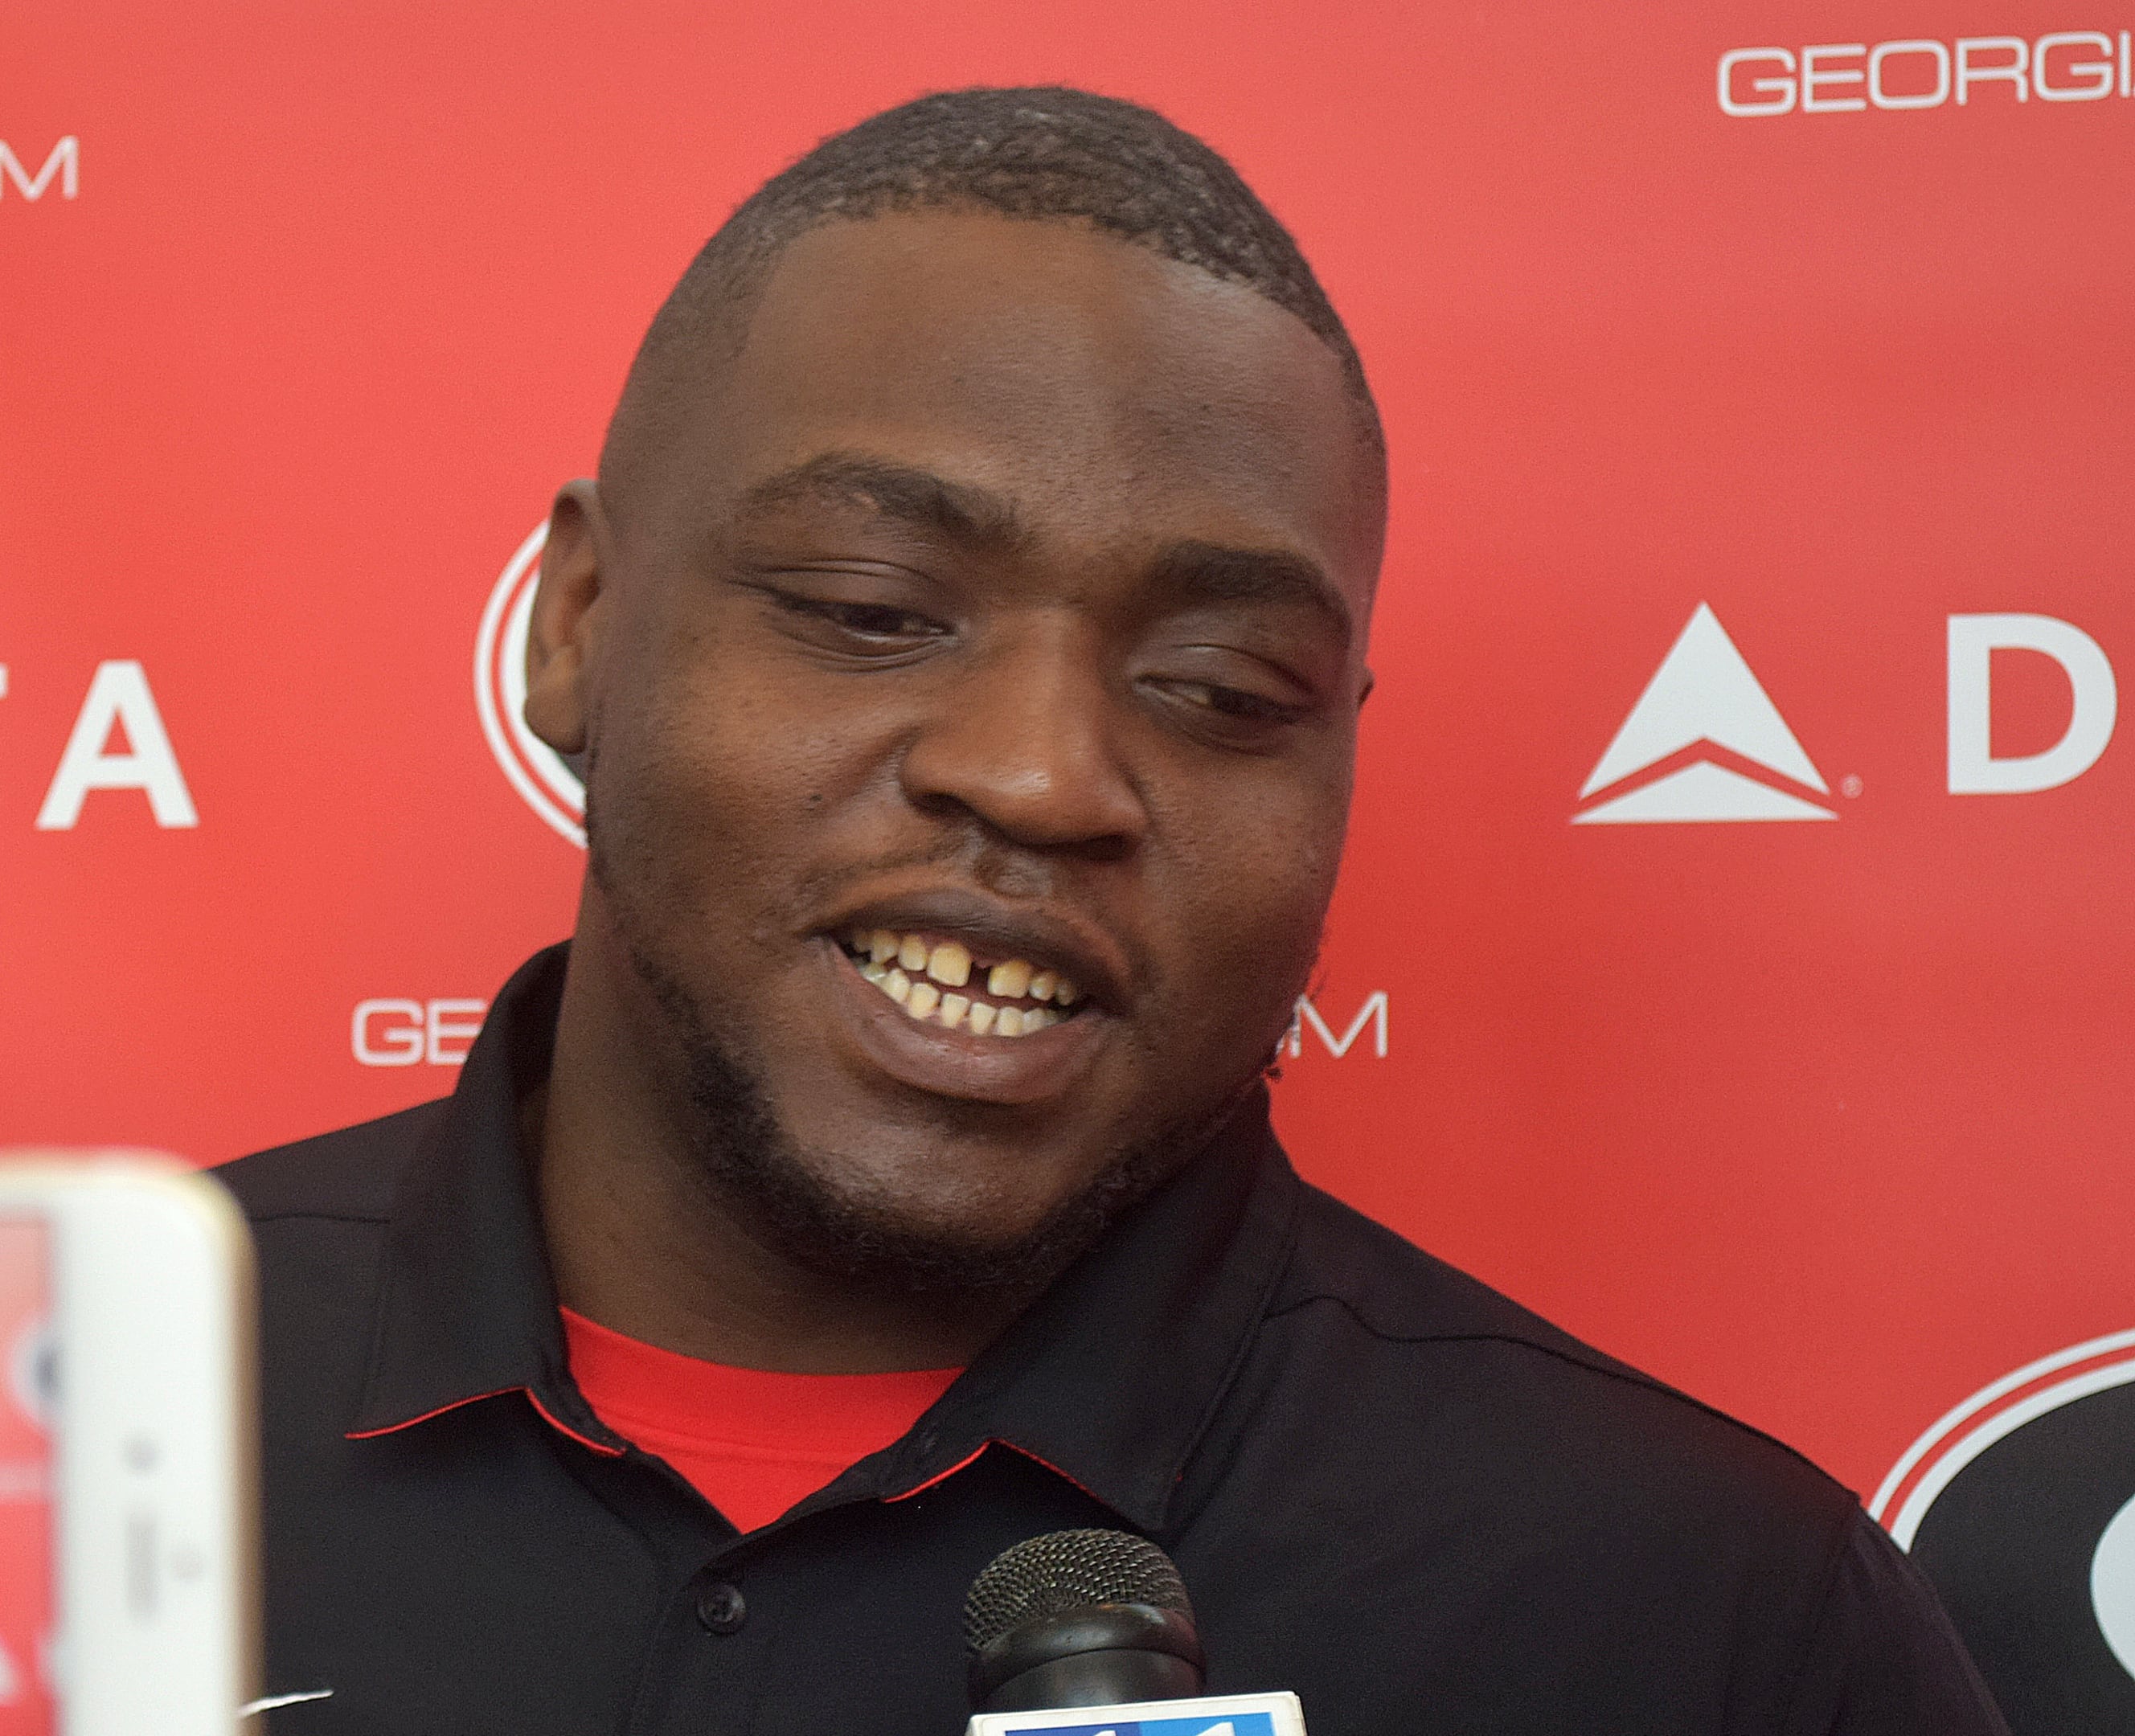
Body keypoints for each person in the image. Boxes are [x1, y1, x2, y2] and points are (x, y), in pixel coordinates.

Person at [215, 87, 2006, 1734]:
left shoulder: (1705, 1622)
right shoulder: (34, 1438)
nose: (1046, 778)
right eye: (872, 605)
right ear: (580, 624)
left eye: (1224, 687)